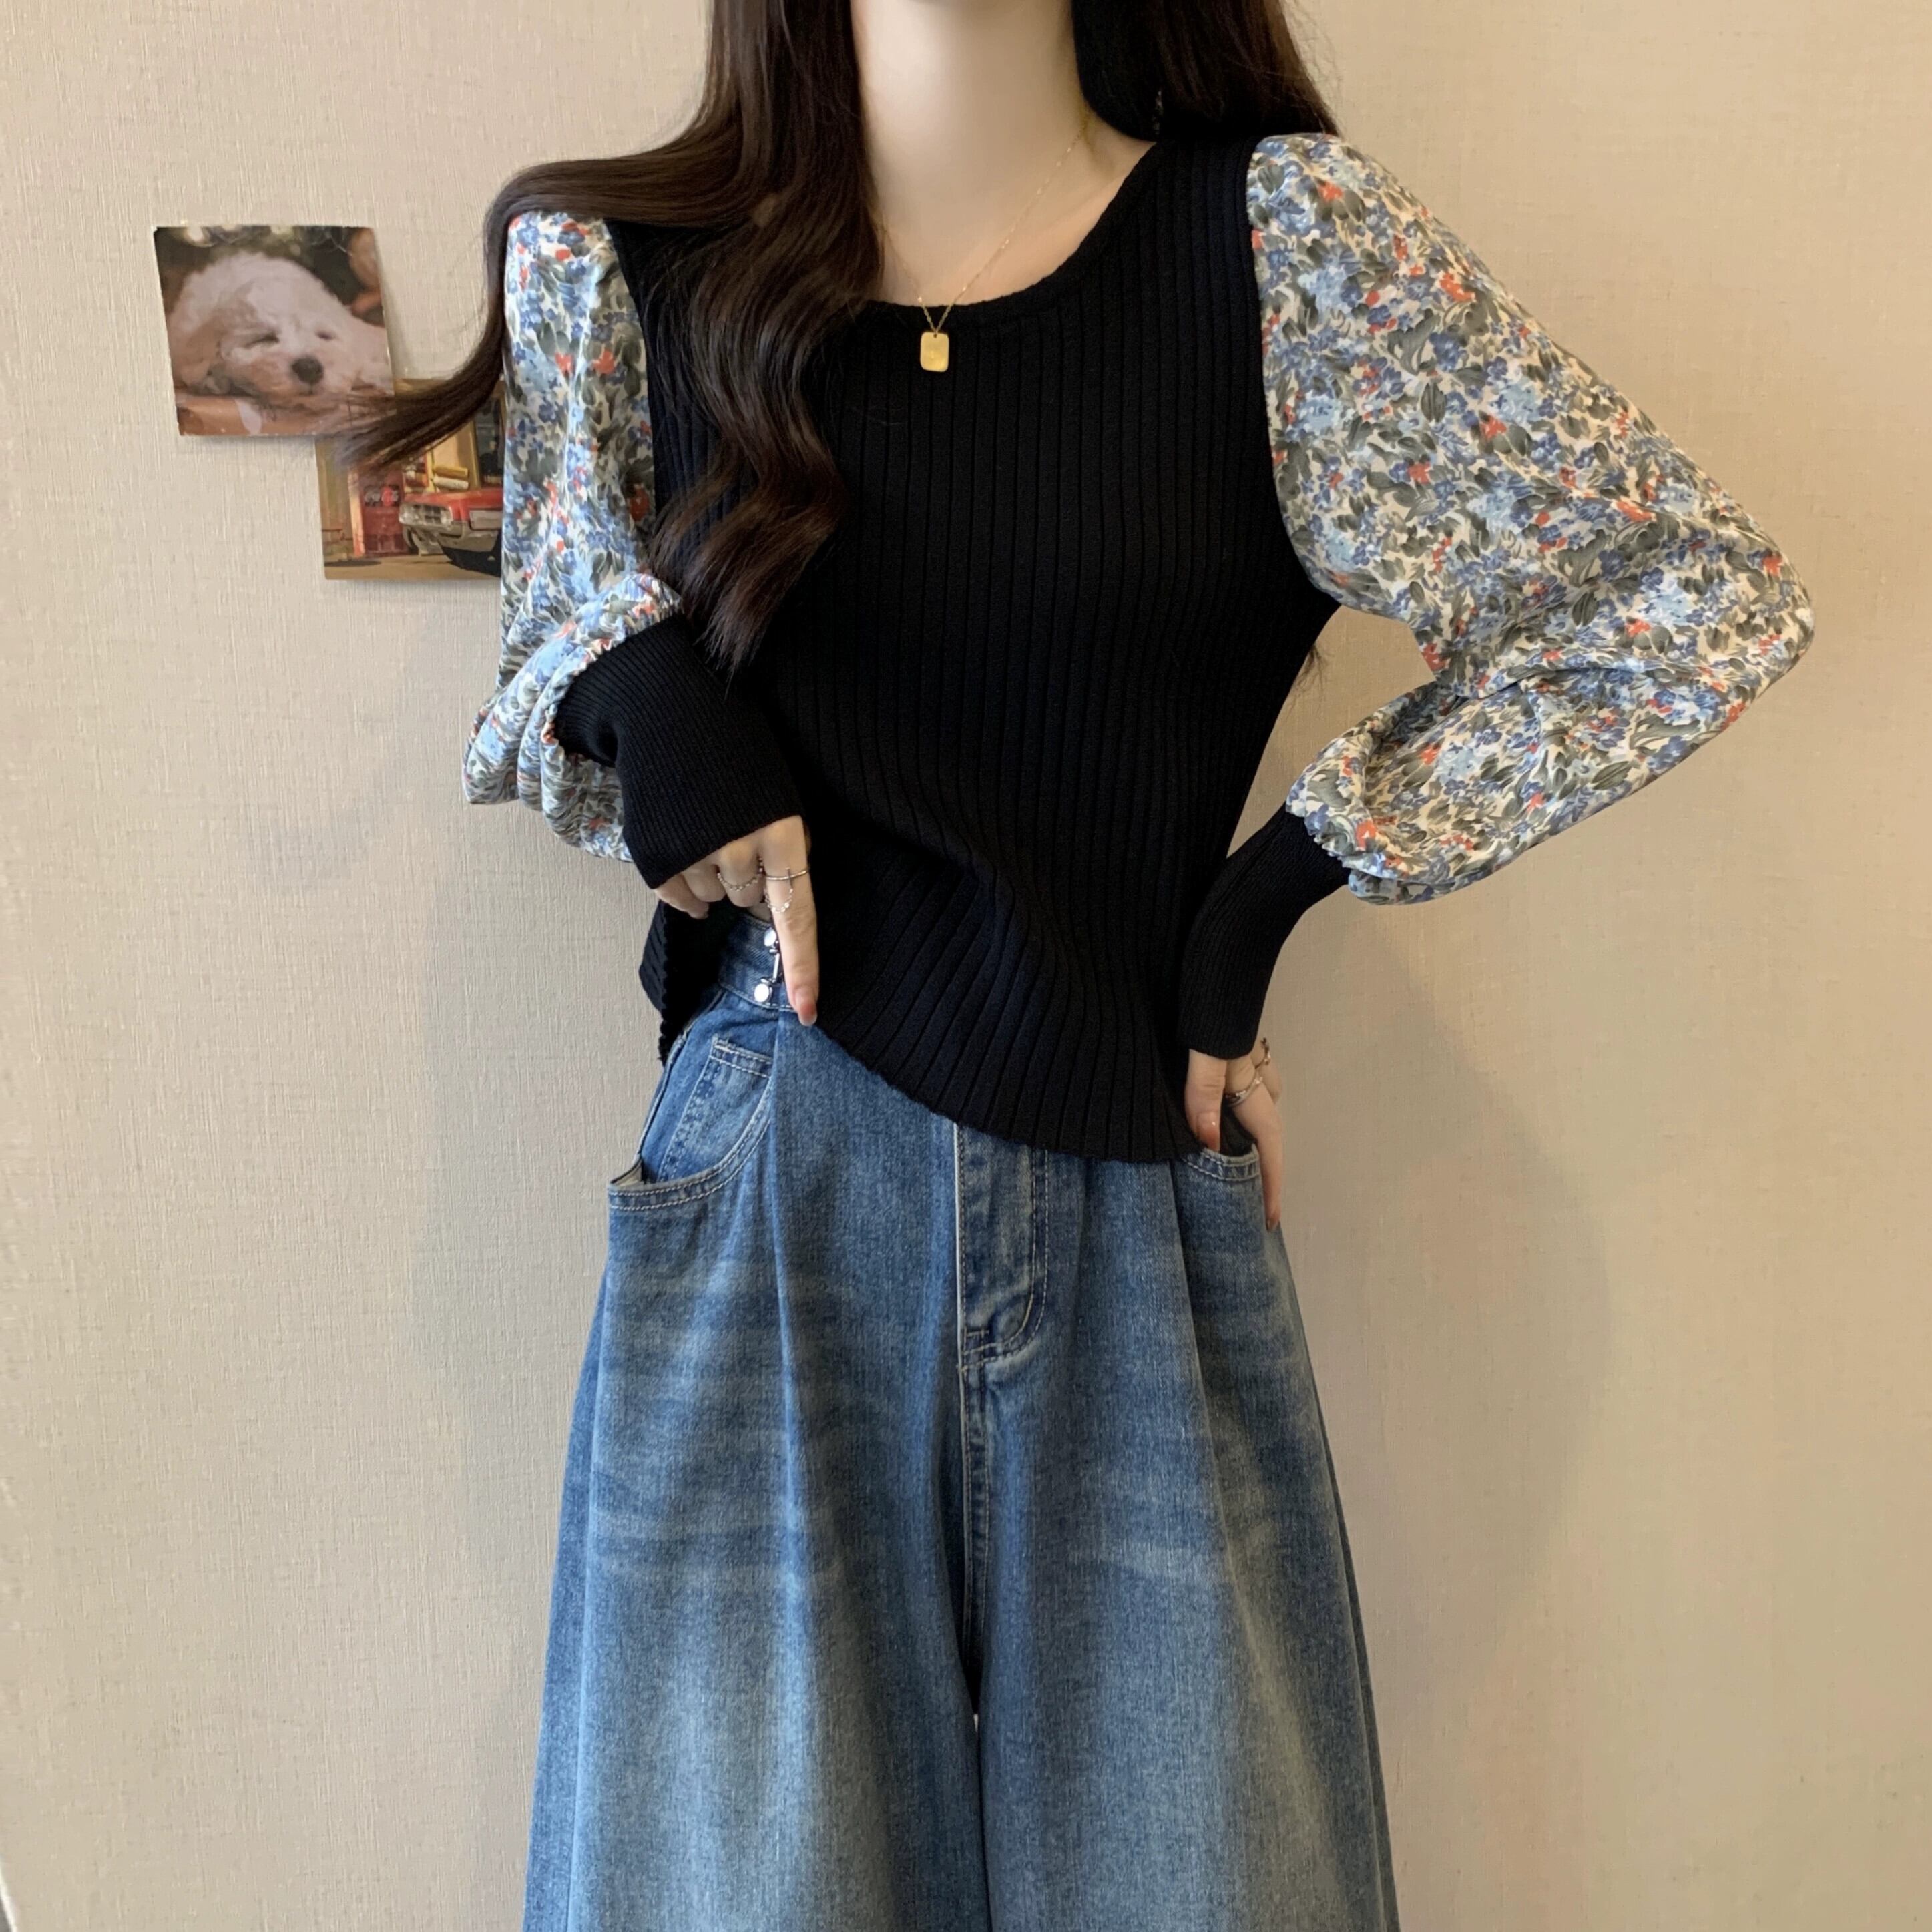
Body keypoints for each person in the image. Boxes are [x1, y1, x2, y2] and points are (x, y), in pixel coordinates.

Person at [341, 3, 1814, 1925]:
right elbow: (557, 622)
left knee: (1204, 1882)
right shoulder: (619, 271)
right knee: (733, 1888)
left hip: (1138, 1165)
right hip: (777, 1164)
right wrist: (646, 692)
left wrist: (1265, 902)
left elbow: (1681, 589)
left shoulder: (1280, 247)